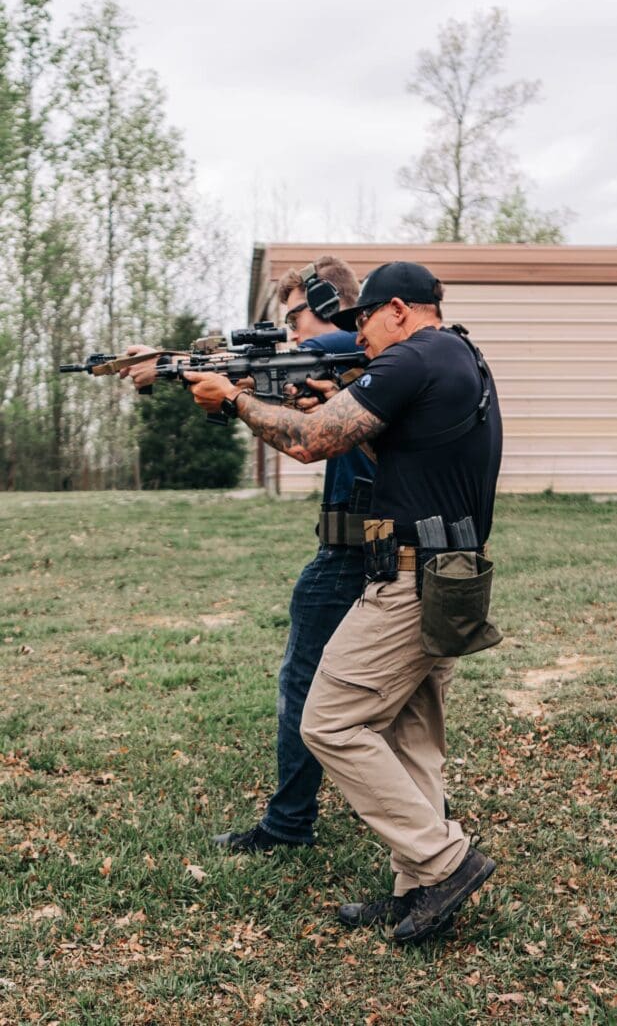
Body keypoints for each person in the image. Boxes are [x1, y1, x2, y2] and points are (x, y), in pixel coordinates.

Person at [184, 261, 503, 944]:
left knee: (329, 722)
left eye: (361, 325)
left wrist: (234, 400)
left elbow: (311, 444)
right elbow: (384, 434)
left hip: (411, 578)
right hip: (451, 572)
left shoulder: (414, 356)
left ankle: (444, 863)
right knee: (411, 735)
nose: (358, 341)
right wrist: (320, 398)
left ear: (394, 308)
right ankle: (417, 886)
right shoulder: (459, 356)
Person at [121, 256, 374, 851]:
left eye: (295, 319)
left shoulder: (349, 344)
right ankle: (423, 814)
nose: (290, 335)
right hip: (375, 548)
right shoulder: (349, 371)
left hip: (348, 555)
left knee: (302, 682)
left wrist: (169, 364)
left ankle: (288, 826)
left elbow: (306, 394)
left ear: (333, 308)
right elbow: (295, 428)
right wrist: (217, 386)